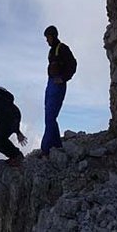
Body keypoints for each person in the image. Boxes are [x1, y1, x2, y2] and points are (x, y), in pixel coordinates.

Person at [40, 25, 76, 158]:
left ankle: (46, 149)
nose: (46, 40)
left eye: (47, 37)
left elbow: (73, 64)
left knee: (50, 116)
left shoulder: (62, 48)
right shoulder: (52, 51)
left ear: (52, 36)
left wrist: (64, 78)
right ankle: (56, 144)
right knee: (49, 115)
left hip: (57, 85)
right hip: (51, 83)